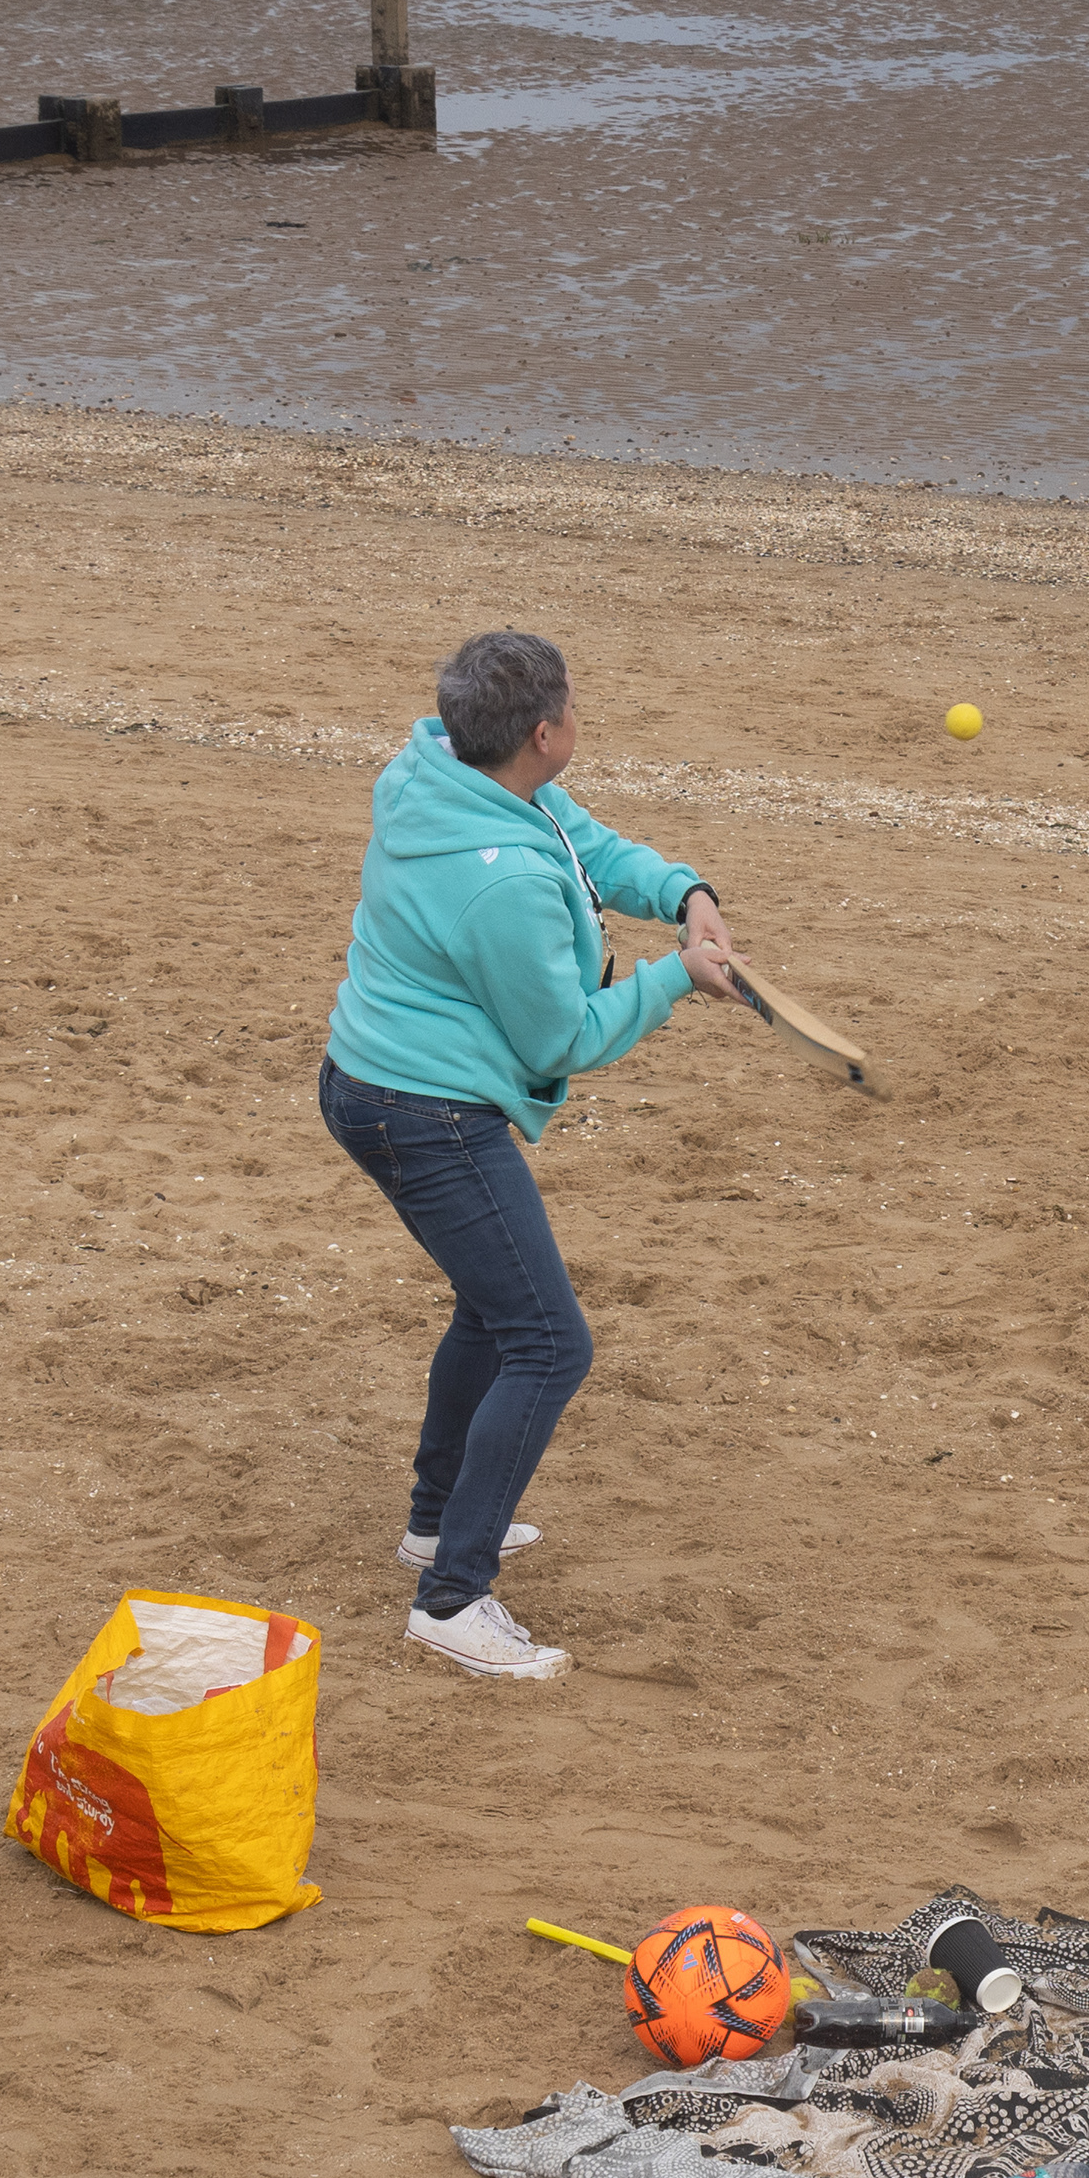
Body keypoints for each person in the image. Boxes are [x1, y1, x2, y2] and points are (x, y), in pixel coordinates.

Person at [321, 630, 737, 1682]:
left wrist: (684, 892)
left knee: (493, 1305)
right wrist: (675, 980)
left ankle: (432, 1519)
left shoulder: (439, 770)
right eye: (572, 709)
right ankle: (452, 1595)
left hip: (376, 1080)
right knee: (551, 1344)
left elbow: (581, 842)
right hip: (423, 1112)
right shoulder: (497, 881)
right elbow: (562, 1039)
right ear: (543, 733)